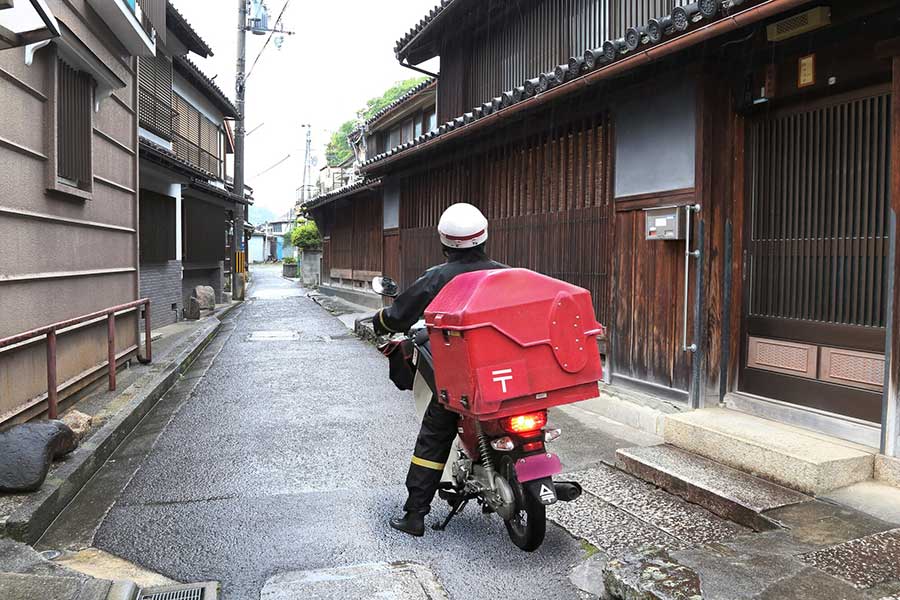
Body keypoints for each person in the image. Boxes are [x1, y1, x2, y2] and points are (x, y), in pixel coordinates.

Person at [373, 202, 506, 537]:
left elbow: (399, 316)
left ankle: (415, 514)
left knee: (435, 432)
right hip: (507, 371)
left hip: (463, 377)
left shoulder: (438, 277)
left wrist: (380, 320)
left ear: (445, 242)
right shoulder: (505, 275)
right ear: (484, 237)